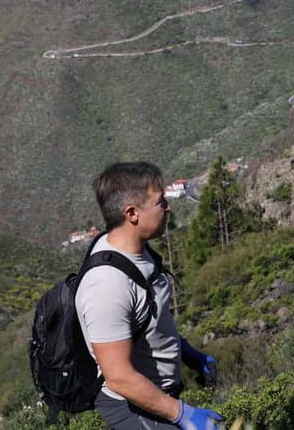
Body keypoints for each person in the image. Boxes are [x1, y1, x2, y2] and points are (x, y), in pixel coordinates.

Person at [75, 162, 224, 429]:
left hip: (156, 398)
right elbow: (118, 376)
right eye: (160, 202)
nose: (169, 207)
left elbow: (149, 316)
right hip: (134, 407)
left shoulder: (137, 252)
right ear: (132, 213)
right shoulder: (106, 285)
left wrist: (188, 353)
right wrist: (183, 414)